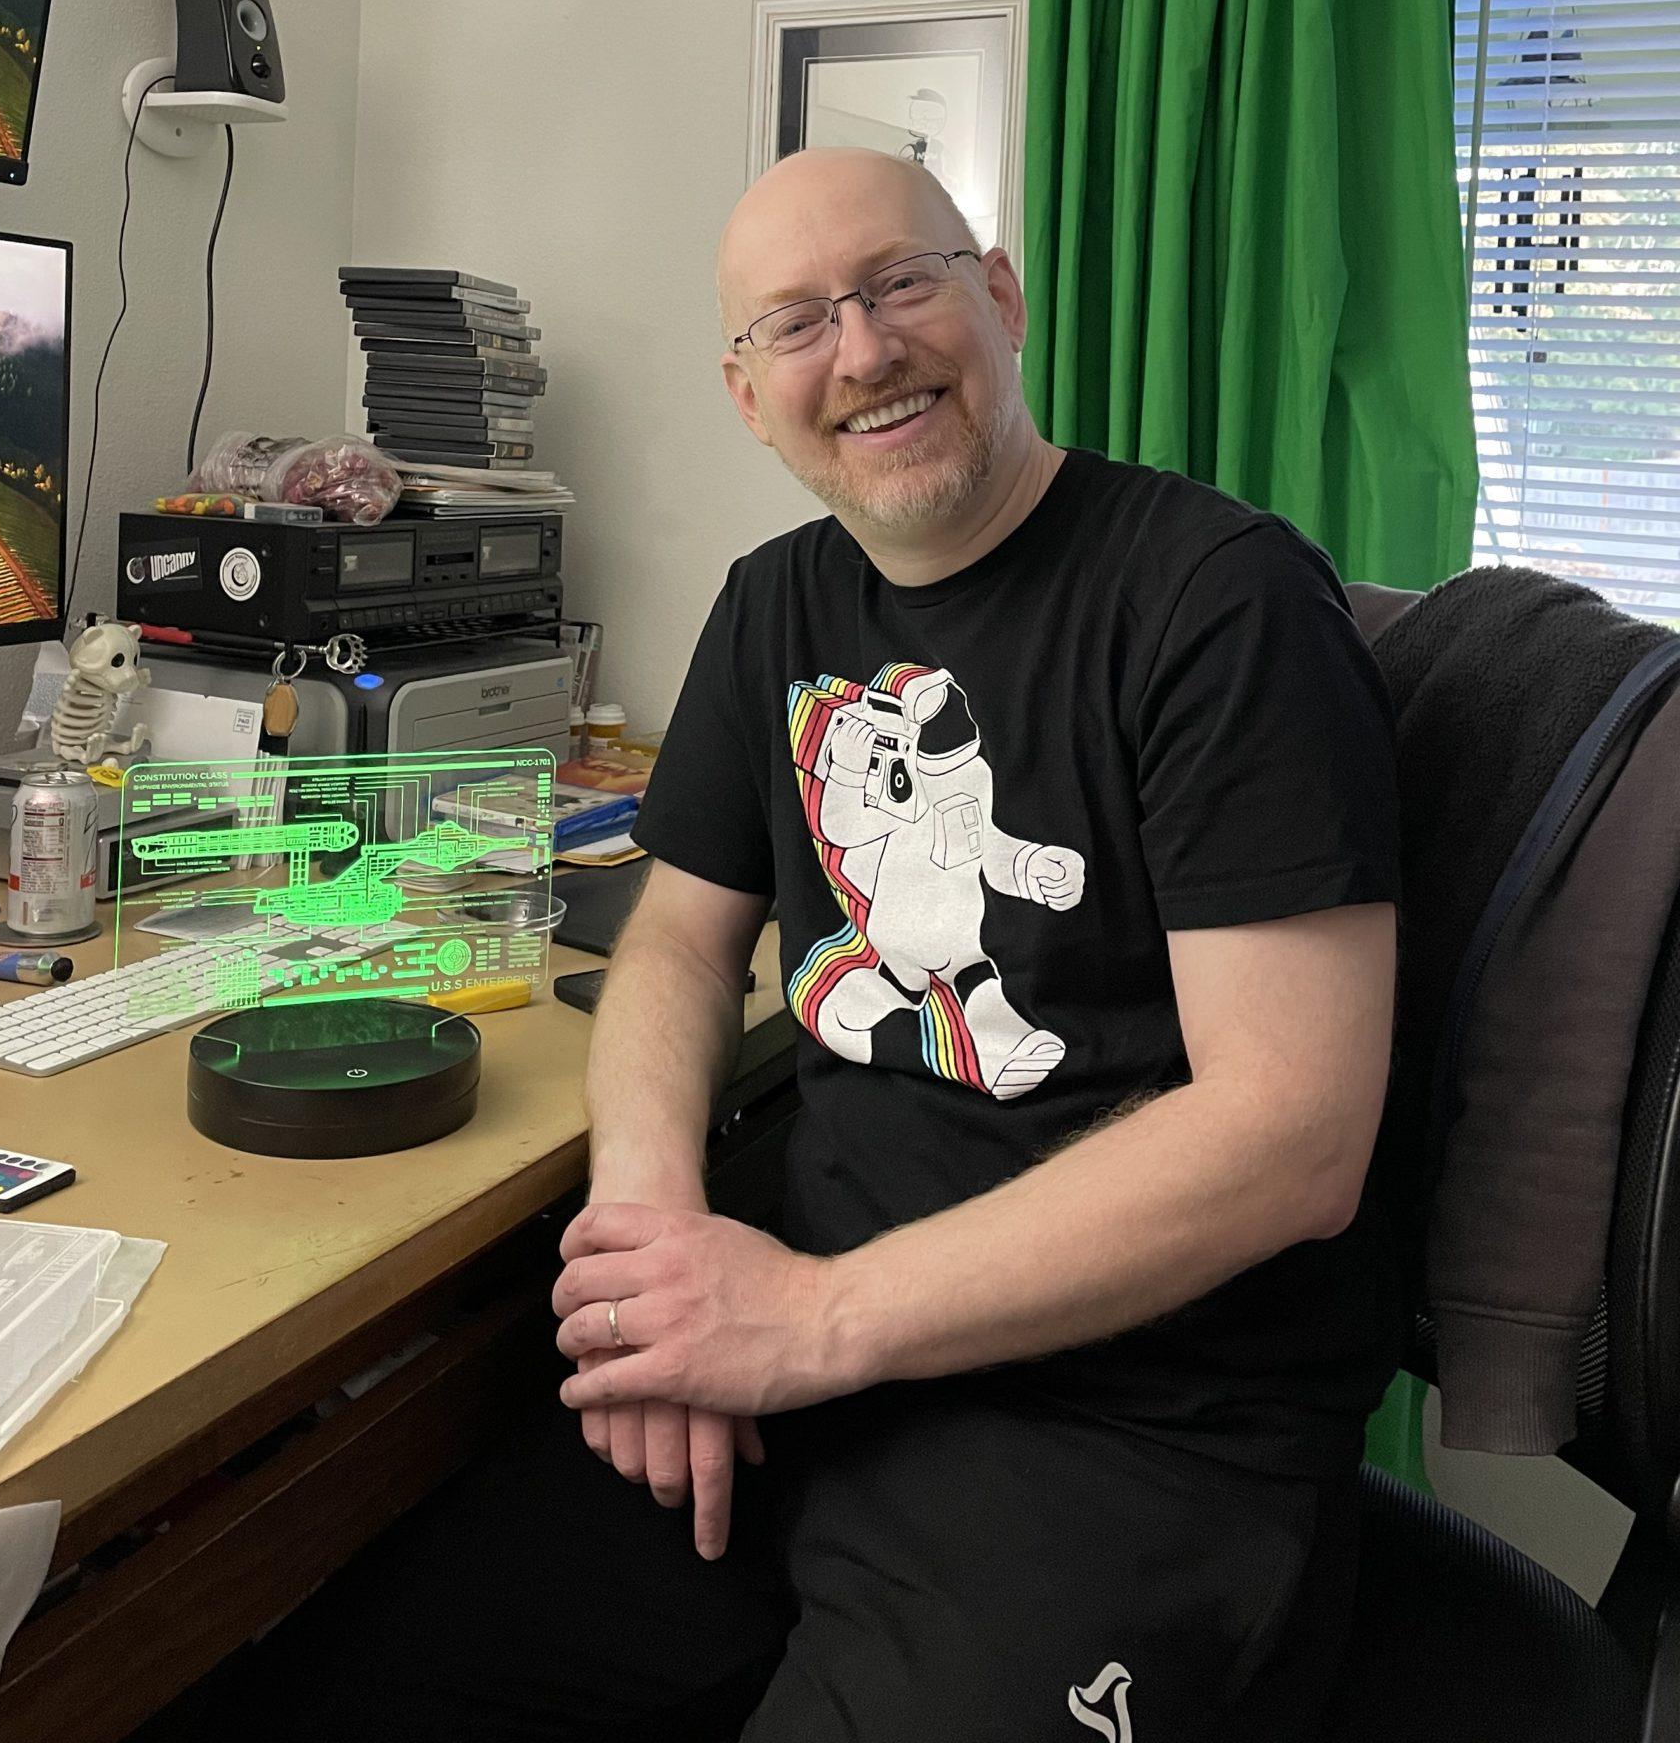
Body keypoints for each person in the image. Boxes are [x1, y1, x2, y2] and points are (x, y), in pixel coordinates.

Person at [283, 146, 1400, 1743]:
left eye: (898, 284)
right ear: (748, 397)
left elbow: (1292, 1133)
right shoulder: (774, 607)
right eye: (795, 324)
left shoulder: (1215, 602)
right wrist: (656, 1235)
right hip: (795, 1340)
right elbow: (674, 945)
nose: (862, 352)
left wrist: (808, 1324)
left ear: (999, 299)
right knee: (357, 1681)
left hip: (1129, 1421)